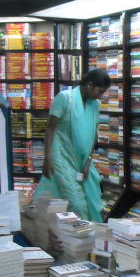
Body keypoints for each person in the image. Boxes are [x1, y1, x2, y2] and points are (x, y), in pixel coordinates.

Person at [33, 69, 110, 222]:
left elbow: (93, 133)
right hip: (61, 156)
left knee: (93, 201)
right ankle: (80, 239)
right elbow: (50, 129)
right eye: (100, 91)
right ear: (89, 85)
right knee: (77, 203)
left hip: (82, 159)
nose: (101, 96)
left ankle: (68, 234)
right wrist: (47, 159)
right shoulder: (65, 98)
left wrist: (89, 161)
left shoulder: (94, 104)